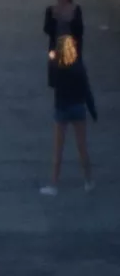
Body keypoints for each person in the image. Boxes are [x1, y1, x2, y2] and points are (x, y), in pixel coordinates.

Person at [41, 34, 97, 195]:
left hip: (62, 108)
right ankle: (88, 181)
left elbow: (51, 83)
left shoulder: (58, 66)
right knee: (82, 147)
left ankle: (53, 184)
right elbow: (87, 90)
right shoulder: (79, 66)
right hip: (78, 108)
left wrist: (51, 61)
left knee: (58, 149)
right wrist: (93, 111)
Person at [44, 0, 84, 86]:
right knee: (58, 80)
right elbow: (47, 29)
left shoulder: (75, 9)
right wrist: (55, 18)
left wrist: (68, 19)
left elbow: (79, 30)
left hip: (72, 48)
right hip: (56, 49)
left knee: (76, 80)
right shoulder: (51, 10)